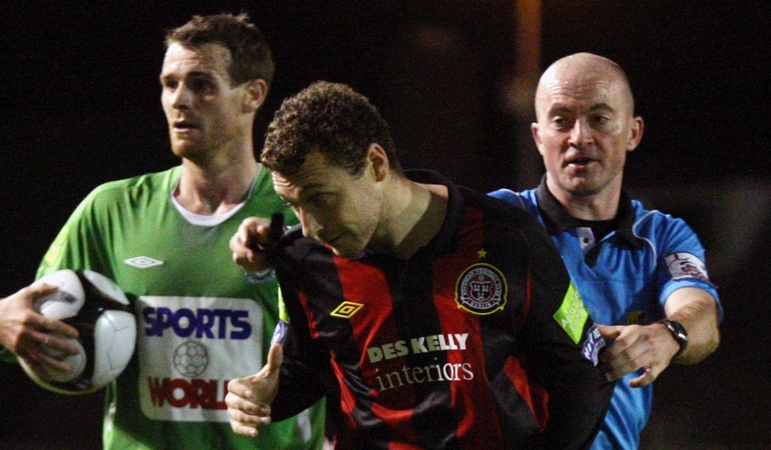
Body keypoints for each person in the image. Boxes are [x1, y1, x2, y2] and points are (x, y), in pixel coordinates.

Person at [0, 14, 326, 450]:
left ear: (252, 96)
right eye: (170, 84)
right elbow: (39, 325)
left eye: (201, 84)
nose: (179, 100)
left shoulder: (296, 213)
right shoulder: (111, 209)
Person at [224, 81, 614, 449]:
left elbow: (581, 376)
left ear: (376, 164)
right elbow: (307, 369)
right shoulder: (303, 261)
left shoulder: (505, 236)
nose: (309, 226)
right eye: (293, 205)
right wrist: (263, 397)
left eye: (321, 198)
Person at [490, 52, 722, 449]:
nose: (579, 137)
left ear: (633, 133)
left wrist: (669, 335)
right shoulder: (495, 221)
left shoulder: (663, 235)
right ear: (538, 136)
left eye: (599, 118)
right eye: (561, 120)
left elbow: (702, 316)